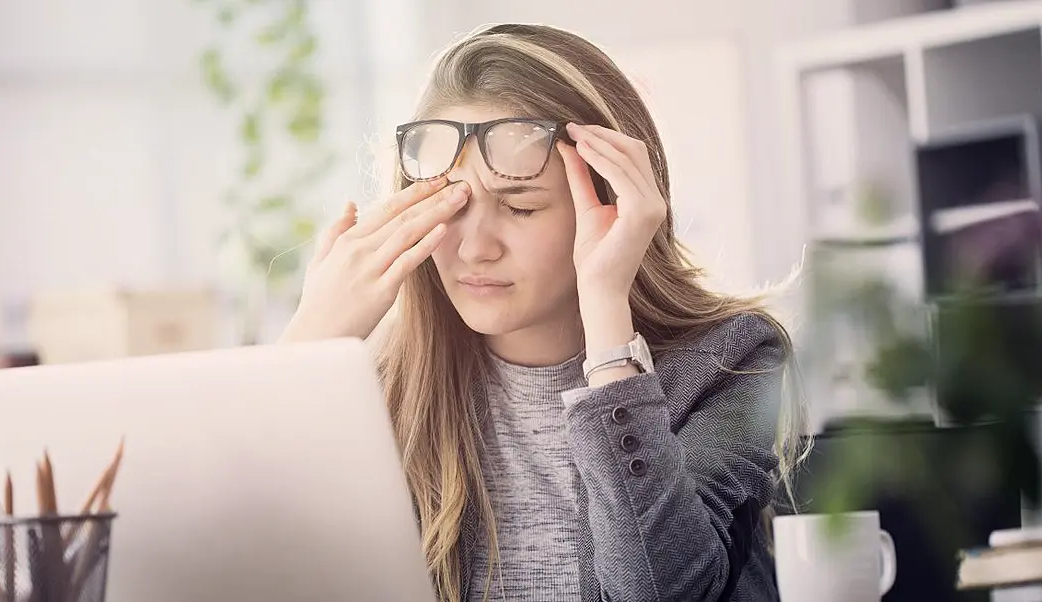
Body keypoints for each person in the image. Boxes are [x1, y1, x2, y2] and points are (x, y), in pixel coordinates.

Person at [280, 22, 808, 602]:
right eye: (449, 206)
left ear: (612, 204)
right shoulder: (383, 382)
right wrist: (309, 348)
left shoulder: (733, 362)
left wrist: (607, 319)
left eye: (521, 207)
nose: (476, 246)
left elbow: (659, 591)